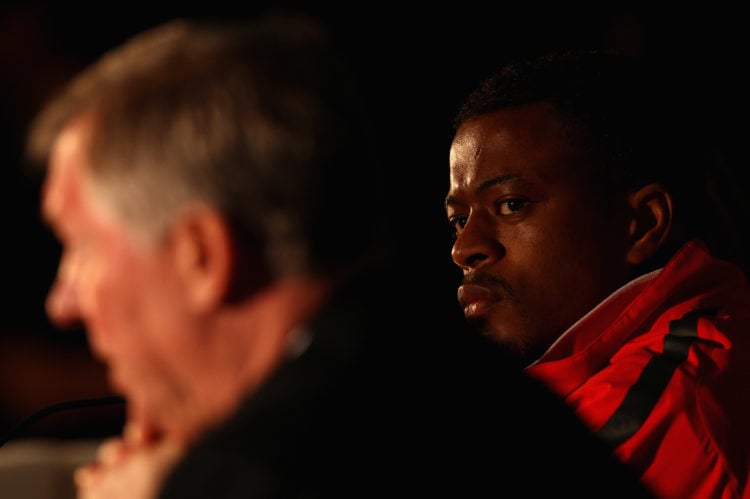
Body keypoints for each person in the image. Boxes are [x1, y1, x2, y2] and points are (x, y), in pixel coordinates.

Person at [24, 14, 653, 499]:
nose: (63, 303)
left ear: (202, 258)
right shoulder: (424, 377)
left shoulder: (278, 464)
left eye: (82, 248)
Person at [445, 48, 750, 498]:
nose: (464, 248)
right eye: (459, 219)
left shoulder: (670, 405)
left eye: (512, 204)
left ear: (643, 224)